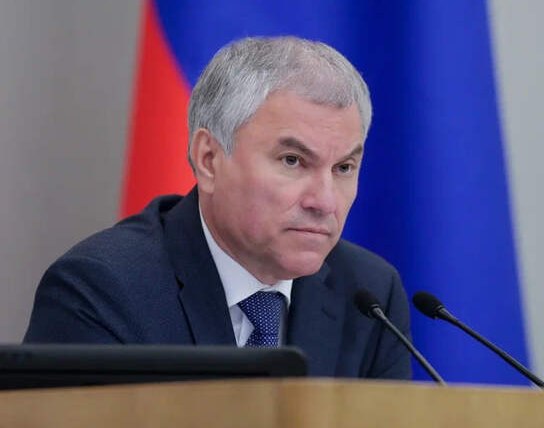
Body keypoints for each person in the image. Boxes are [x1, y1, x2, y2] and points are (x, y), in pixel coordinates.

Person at [24, 36, 411, 379]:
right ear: (208, 160)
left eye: (344, 168)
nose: (324, 201)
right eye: (293, 161)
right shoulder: (103, 290)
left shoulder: (370, 295)